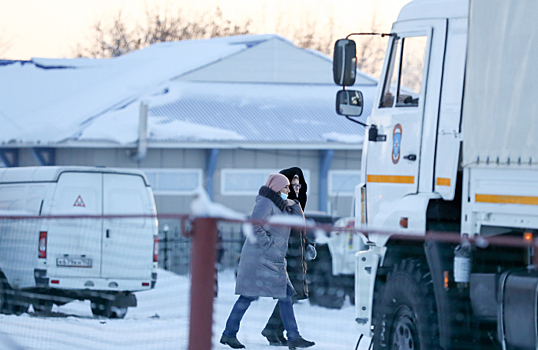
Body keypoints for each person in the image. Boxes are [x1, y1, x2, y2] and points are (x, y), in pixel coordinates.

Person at [220, 173, 315, 349]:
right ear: (277, 188)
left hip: (274, 261)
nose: (289, 190)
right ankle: (229, 334)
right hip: (260, 260)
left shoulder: (282, 206)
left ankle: (293, 336)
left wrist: (295, 204)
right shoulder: (265, 203)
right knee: (248, 296)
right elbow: (254, 226)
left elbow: (297, 223)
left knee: (285, 296)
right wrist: (269, 245)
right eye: (286, 187)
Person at [261, 167, 316, 346]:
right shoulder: (280, 205)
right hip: (284, 255)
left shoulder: (296, 204)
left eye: (299, 184)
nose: (297, 187)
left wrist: (307, 244)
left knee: (292, 293)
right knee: (290, 293)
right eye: (292, 184)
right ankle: (280, 331)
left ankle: (273, 330)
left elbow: (297, 230)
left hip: (295, 255)